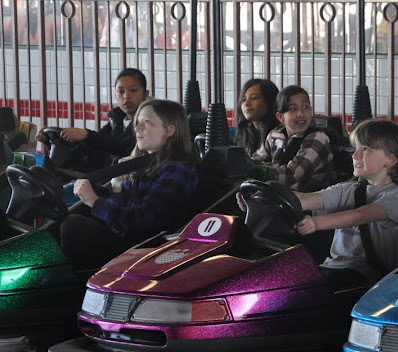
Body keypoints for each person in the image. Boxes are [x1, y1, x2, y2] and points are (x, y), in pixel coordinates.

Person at [238, 118, 398, 287]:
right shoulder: (349, 190)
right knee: (274, 277)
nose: (355, 155)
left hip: (369, 278)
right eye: (356, 148)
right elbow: (303, 199)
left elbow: (360, 215)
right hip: (332, 268)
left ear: (391, 160)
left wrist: (316, 223)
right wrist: (260, 199)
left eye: (366, 149)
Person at [60, 99, 199, 268]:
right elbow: (120, 217)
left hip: (150, 252)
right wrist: (117, 184)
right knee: (68, 218)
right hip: (131, 242)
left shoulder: (177, 171)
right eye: (138, 122)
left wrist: (94, 202)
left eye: (147, 122)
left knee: (73, 226)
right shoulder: (143, 163)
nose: (137, 128)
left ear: (169, 130)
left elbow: (139, 223)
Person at [37, 68, 150, 167]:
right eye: (121, 92)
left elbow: (123, 147)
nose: (126, 96)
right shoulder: (116, 120)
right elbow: (92, 148)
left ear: (145, 94)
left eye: (133, 90)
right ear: (115, 95)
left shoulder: (149, 121)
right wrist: (51, 141)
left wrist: (86, 135)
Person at [248, 85, 335, 192]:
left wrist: (260, 170)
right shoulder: (275, 135)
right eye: (293, 109)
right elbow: (256, 159)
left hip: (307, 199)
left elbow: (292, 175)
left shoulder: (318, 138)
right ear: (280, 117)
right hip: (276, 195)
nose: (301, 114)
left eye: (305, 107)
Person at [233, 78, 280, 155]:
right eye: (243, 99)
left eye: (254, 98)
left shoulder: (280, 135)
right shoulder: (244, 133)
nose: (247, 103)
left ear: (270, 101)